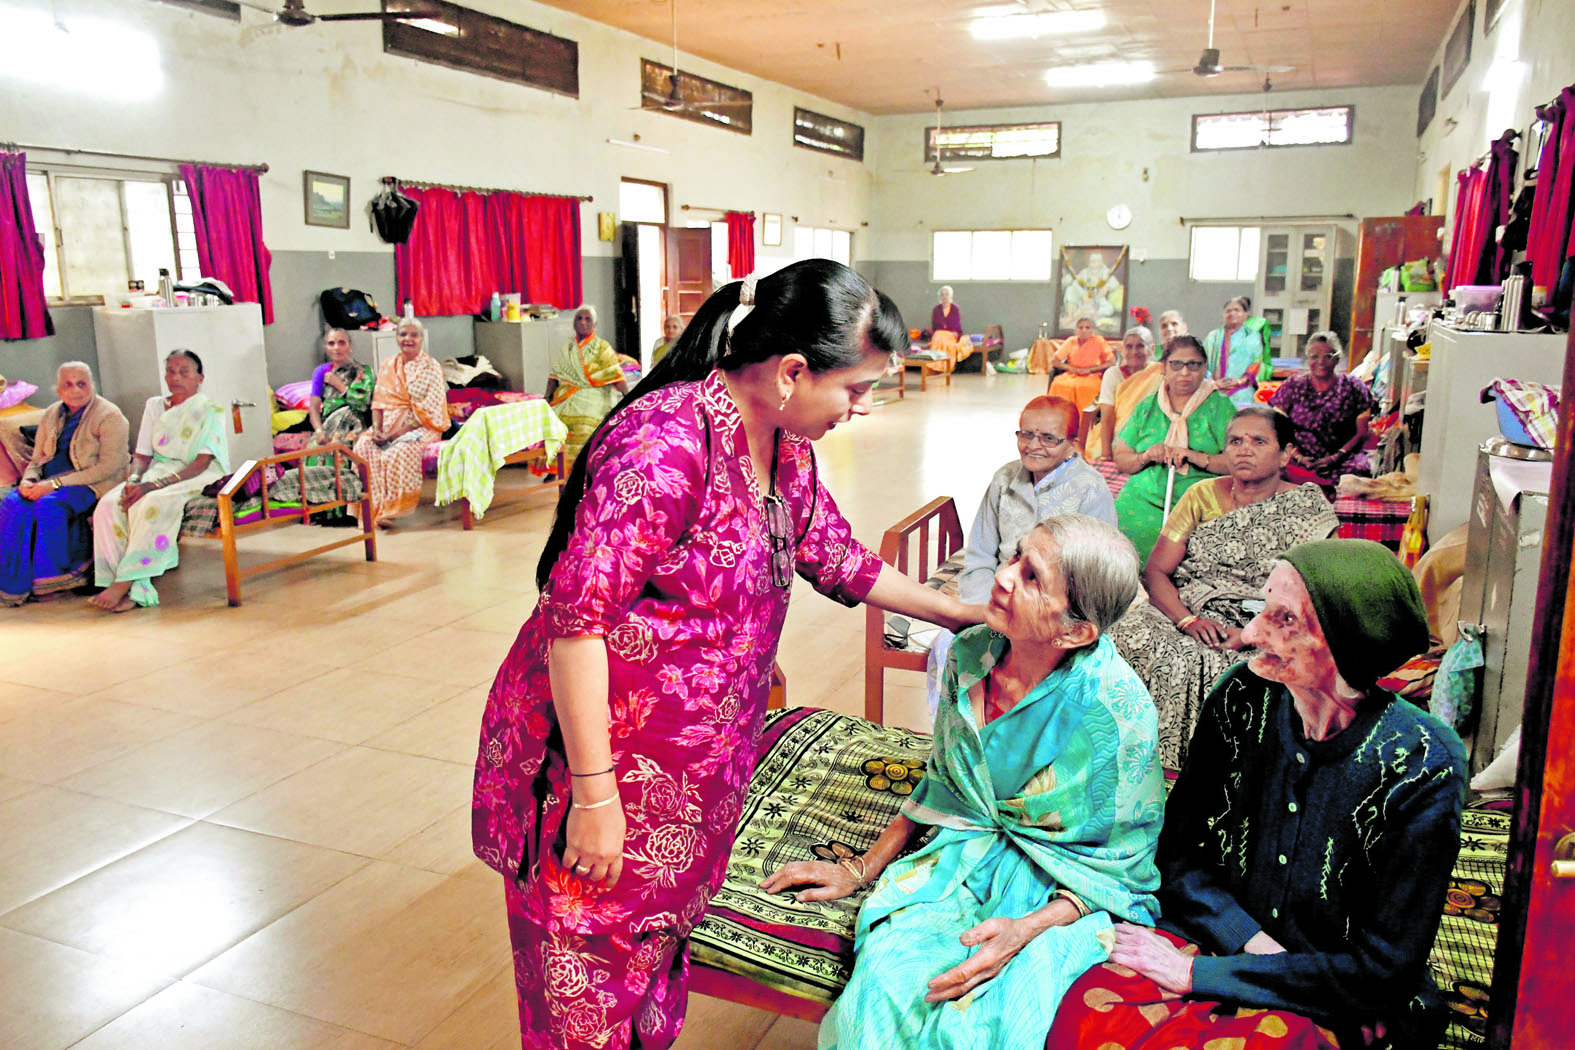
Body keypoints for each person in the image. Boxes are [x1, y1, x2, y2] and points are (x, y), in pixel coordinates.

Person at [471, 260, 986, 1050]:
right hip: (598, 764)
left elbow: (840, 558)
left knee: (652, 960)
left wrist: (957, 611)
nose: (860, 407)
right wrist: (595, 797)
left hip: (689, 776)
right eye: (854, 388)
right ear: (790, 372)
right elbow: (574, 624)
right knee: (584, 981)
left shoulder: (783, 449)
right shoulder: (667, 446)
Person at [763, 515, 1164, 1050]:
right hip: (960, 854)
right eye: (1016, 557)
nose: (1003, 576)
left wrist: (1024, 930)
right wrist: (860, 867)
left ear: (1075, 631)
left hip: (1060, 888)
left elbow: (1121, 862)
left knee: (983, 1026)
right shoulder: (971, 654)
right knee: (880, 988)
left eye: (1032, 578)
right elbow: (945, 781)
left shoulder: (1116, 714)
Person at [1050, 539, 1467, 1050]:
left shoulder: (1423, 763)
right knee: (1076, 1013)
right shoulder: (1242, 696)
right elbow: (1177, 852)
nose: (1250, 634)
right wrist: (1246, 946)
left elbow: (1383, 967)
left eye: (1284, 619)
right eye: (1261, 608)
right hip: (1212, 936)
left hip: (1328, 990)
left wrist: (1201, 979)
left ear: (1345, 646)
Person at [1108, 406, 1338, 770]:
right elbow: (1155, 573)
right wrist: (1187, 621)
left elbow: (1318, 595)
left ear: (1286, 453)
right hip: (1189, 610)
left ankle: (1210, 776)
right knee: (1127, 635)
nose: (1243, 449)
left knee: (1237, 669)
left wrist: (1250, 634)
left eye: (1258, 441)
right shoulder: (1201, 496)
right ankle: (1133, 766)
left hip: (1270, 624)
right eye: (1235, 441)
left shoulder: (1307, 507)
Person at [89, 351, 228, 612]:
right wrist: (134, 479)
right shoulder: (154, 405)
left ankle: (124, 582)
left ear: (200, 378)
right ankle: (135, 586)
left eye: (184, 371)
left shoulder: (211, 409)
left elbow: (201, 462)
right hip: (157, 470)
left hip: (197, 474)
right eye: (170, 371)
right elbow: (142, 455)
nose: (175, 377)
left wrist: (152, 486)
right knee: (109, 505)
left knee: (150, 502)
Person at [0, 363, 128, 606]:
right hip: (48, 482)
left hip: (92, 482)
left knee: (48, 507)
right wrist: (29, 480)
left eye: (82, 383)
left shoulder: (110, 416)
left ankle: (55, 582)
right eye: (68, 384)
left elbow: (107, 468)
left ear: (92, 385)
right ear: (58, 389)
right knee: (12, 502)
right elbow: (37, 459)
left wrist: (54, 485)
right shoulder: (51, 413)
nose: (76, 390)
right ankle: (13, 583)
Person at [1112, 335, 1236, 562]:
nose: (1185, 373)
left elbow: (1237, 462)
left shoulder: (1221, 407)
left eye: (1194, 365)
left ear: (1205, 367)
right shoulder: (1147, 406)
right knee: (1118, 546)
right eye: (1176, 365)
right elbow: (1122, 459)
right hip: (1143, 497)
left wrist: (1196, 457)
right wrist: (1146, 455)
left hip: (1199, 501)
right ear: (1164, 369)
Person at [351, 318, 448, 528]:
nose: (408, 339)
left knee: (398, 452)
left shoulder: (431, 367)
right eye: (403, 334)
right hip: (386, 428)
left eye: (414, 335)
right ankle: (370, 509)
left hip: (422, 426)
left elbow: (431, 407)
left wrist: (397, 433)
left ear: (422, 339)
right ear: (396, 338)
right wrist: (377, 430)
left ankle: (393, 510)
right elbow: (378, 402)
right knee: (362, 447)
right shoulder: (388, 365)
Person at [1270, 331, 1376, 486]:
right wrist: (1298, 457)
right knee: (1277, 473)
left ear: (1338, 358)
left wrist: (1335, 457)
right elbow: (1278, 427)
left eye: (1328, 356)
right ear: (1307, 359)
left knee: (1359, 472)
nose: (1321, 361)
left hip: (1342, 458)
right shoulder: (1293, 386)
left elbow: (1362, 432)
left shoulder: (1353, 387)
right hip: (1299, 458)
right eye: (1314, 356)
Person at [546, 304, 627, 468]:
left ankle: (582, 469)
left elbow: (616, 377)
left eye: (588, 319)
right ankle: (558, 470)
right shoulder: (567, 347)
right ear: (573, 323)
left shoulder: (602, 347)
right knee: (553, 424)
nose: (583, 322)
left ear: (594, 325)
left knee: (585, 426)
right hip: (567, 394)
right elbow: (554, 376)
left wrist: (629, 399)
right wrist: (546, 397)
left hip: (595, 394)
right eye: (579, 318)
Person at [1086, 324, 1160, 462]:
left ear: (1152, 349)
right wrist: (1106, 455)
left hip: (1149, 436)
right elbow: (1107, 417)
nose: (1134, 351)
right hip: (1117, 435)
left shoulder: (1158, 374)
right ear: (1122, 349)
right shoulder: (1113, 374)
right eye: (1129, 346)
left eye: (1140, 346)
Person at [307, 327, 376, 446]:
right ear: (326, 348)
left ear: (350, 346)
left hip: (356, 426)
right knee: (314, 452)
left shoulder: (363, 371)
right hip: (328, 426)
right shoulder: (321, 372)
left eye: (341, 343)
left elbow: (364, 404)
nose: (336, 348)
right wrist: (319, 431)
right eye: (331, 343)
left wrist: (340, 385)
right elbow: (313, 408)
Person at [1203, 295, 1271, 407]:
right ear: (1223, 315)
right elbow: (1202, 361)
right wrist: (1213, 383)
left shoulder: (1253, 336)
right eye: (1228, 311)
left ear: (1246, 315)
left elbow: (1256, 362)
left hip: (1242, 390)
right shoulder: (1213, 336)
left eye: (1237, 310)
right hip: (1214, 390)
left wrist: (1240, 381)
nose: (1232, 313)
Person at [1048, 315, 1114, 421]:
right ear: (1076, 330)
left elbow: (1111, 362)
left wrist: (1091, 369)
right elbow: (1054, 361)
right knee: (1058, 384)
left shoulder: (1099, 341)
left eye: (1088, 327)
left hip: (1092, 375)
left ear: (1093, 330)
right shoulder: (1071, 341)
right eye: (1081, 327)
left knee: (1087, 387)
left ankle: (1085, 420)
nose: (1084, 330)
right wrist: (1070, 368)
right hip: (1072, 374)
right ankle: (1060, 418)